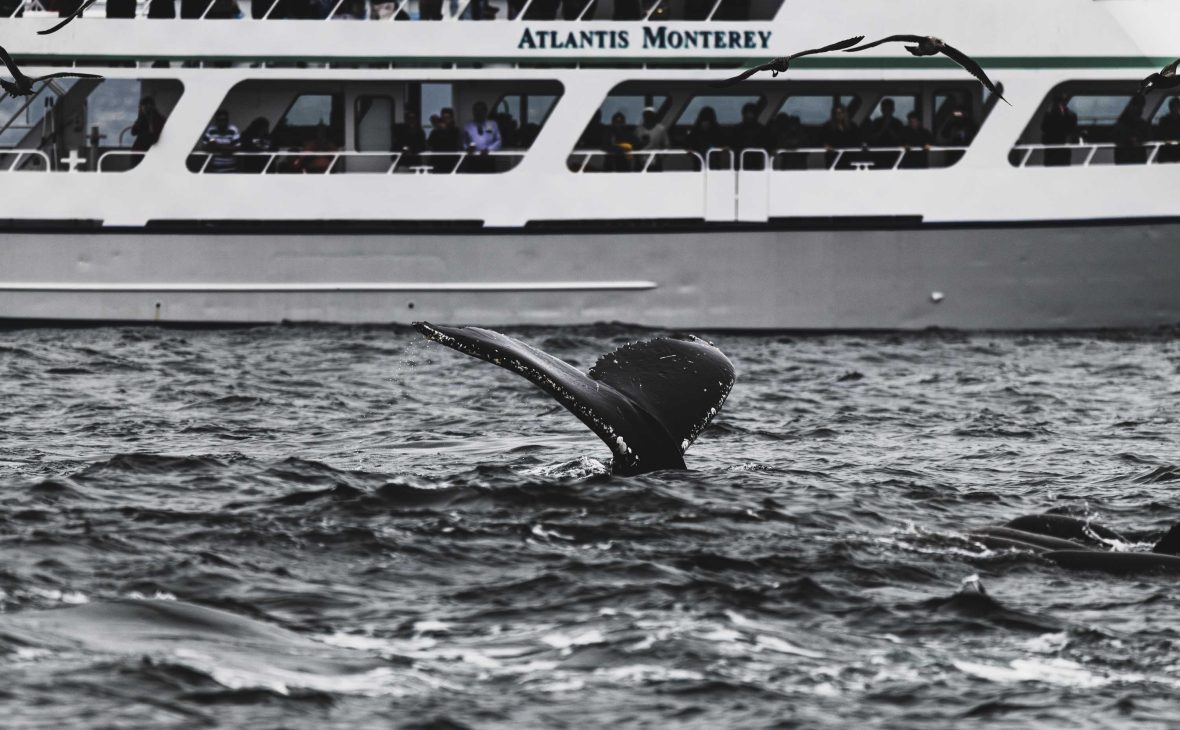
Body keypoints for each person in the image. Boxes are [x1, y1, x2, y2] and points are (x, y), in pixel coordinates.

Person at [463, 101, 502, 173]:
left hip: (488, 159)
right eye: (476, 110)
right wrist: (467, 148)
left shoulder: (493, 124)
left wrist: (488, 149)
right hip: (473, 160)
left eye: (480, 110)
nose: (478, 113)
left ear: (485, 111)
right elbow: (464, 143)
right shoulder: (468, 126)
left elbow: (498, 141)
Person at [1040, 93, 1078, 167]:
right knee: (1051, 166)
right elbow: (1044, 127)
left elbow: (1072, 129)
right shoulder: (1049, 114)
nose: (1060, 104)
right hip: (1052, 145)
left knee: (1062, 165)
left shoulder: (1070, 115)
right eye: (1058, 101)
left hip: (1062, 145)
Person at [129, 97, 166, 169]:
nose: (143, 109)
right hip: (140, 152)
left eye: (143, 106)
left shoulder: (158, 119)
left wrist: (148, 119)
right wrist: (141, 118)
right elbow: (133, 132)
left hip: (147, 152)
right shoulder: (142, 118)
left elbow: (154, 136)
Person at [1114, 94, 1150, 165]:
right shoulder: (1122, 122)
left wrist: (1138, 140)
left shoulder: (1122, 121)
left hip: (1134, 155)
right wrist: (1132, 139)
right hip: (1126, 155)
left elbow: (1148, 136)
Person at [1156, 97, 1180, 163]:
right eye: (1173, 106)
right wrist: (1166, 140)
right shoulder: (1164, 120)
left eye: (1177, 106)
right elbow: (1159, 135)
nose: (1175, 108)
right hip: (1166, 152)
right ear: (1170, 107)